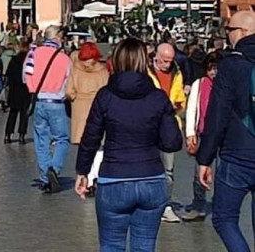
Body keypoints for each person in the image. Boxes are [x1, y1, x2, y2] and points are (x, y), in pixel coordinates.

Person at [75, 37, 183, 252]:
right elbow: (172, 142)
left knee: (111, 245)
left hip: (114, 177)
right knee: (144, 246)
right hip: (151, 177)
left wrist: (82, 171)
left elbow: (90, 138)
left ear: (116, 61)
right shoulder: (158, 97)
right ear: (145, 62)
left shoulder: (105, 96)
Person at [196, 9, 255, 252]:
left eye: (229, 30)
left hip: (237, 156)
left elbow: (217, 114)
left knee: (224, 218)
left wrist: (205, 159)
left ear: (243, 32)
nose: (227, 35)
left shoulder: (231, 64)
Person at [23, 25, 72, 193]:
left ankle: (45, 176)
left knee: (41, 139)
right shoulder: (64, 58)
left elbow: (26, 75)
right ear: (57, 38)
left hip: (39, 101)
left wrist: (34, 87)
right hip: (57, 101)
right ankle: (54, 168)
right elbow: (68, 81)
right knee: (62, 139)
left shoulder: (33, 53)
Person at [179, 51, 219, 220]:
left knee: (223, 172)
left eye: (216, 68)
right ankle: (199, 204)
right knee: (199, 171)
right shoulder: (199, 84)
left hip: (224, 135)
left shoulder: (227, 84)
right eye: (210, 68)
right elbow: (192, 108)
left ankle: (221, 205)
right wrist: (190, 133)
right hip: (203, 132)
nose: (213, 72)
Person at [149, 42, 185, 221]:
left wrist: (178, 104)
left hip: (170, 125)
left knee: (168, 171)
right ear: (156, 56)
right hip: (148, 125)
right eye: (164, 60)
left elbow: (180, 98)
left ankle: (165, 205)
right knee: (147, 167)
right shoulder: (145, 71)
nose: (167, 64)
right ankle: (149, 203)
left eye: (170, 61)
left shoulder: (177, 72)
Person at [67, 43, 109, 145]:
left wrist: (75, 98)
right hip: (97, 107)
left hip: (79, 105)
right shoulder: (103, 71)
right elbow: (107, 92)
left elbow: (69, 91)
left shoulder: (75, 70)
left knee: (80, 139)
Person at [3, 39, 31, 145]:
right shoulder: (29, 60)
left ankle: (7, 135)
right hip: (25, 90)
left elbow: (8, 74)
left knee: (12, 113)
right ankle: (21, 136)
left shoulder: (13, 60)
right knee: (24, 114)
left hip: (14, 91)